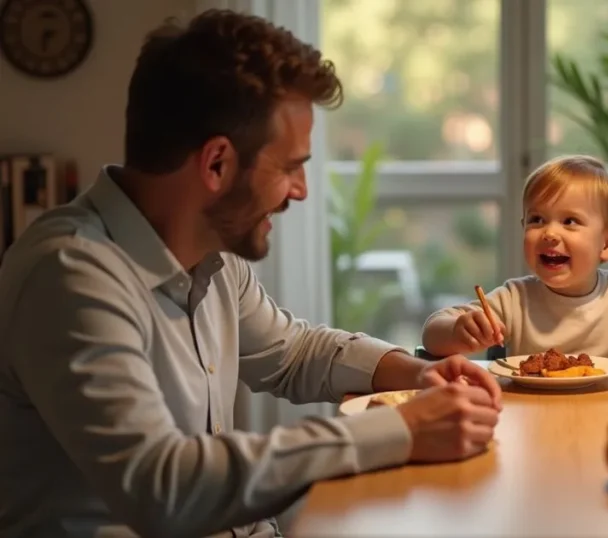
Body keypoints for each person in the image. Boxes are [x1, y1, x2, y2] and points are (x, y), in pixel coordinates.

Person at [0, 10, 503, 538]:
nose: (302, 190)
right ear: (217, 163)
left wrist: (416, 374)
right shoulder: (71, 274)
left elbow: (292, 353)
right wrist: (399, 431)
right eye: (289, 166)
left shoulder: (213, 256)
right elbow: (161, 486)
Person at [421, 155, 608, 361]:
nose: (549, 233)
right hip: (532, 412)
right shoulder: (516, 299)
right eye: (537, 220)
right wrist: (458, 330)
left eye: (569, 221)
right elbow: (431, 334)